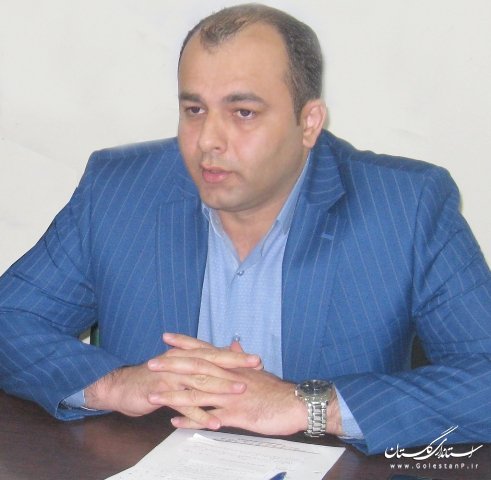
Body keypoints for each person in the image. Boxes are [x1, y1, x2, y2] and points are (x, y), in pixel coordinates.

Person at [0, 3, 490, 456]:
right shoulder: (119, 191)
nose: (208, 141)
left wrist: (308, 405)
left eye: (243, 113)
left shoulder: (406, 207)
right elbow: (10, 321)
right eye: (194, 110)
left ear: (309, 123)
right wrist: (113, 383)